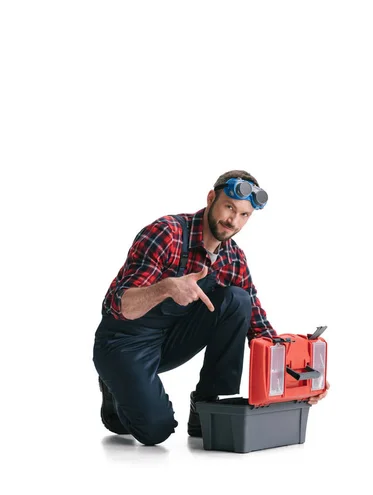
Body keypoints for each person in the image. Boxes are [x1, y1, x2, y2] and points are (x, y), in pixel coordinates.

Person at [93, 169, 328, 446]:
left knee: (237, 299)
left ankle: (207, 406)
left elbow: (259, 328)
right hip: (125, 342)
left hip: (170, 341)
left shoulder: (233, 257)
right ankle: (114, 387)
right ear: (210, 198)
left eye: (244, 215)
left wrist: (298, 381)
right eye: (229, 207)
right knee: (155, 432)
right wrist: (166, 287)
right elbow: (118, 305)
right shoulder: (167, 233)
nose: (233, 221)